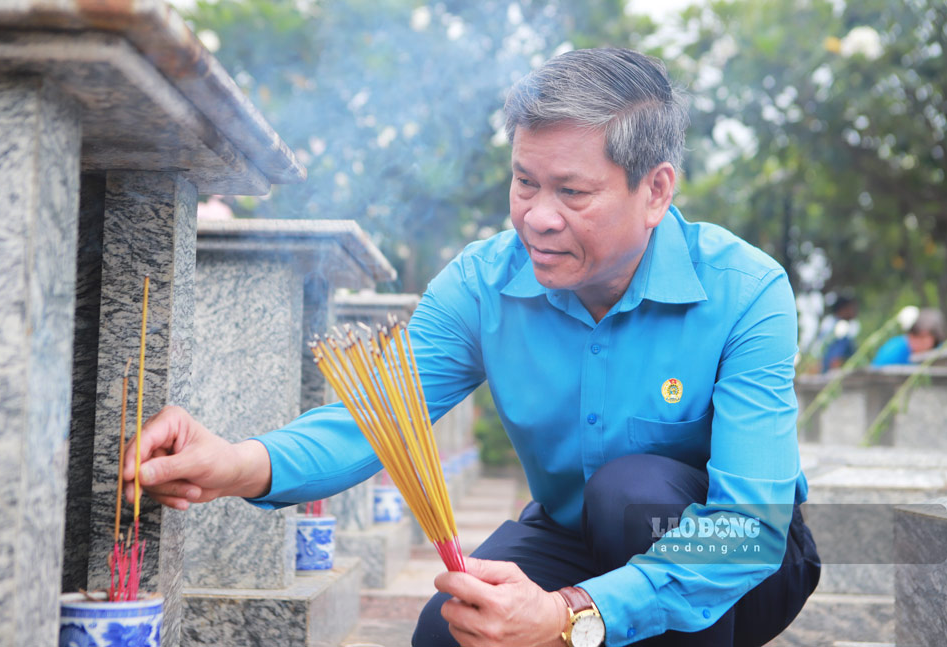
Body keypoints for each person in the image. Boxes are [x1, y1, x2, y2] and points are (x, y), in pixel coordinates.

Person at [123, 48, 820, 647]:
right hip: (575, 534)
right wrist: (234, 463)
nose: (537, 218)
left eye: (572, 192)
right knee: (452, 630)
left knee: (631, 495)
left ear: (656, 190)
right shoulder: (484, 284)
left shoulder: (745, 292)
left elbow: (749, 526)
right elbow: (378, 418)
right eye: (525, 182)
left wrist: (568, 614)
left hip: (738, 559)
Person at [872, 307, 946, 366]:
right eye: (914, 337)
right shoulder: (892, 351)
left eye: (922, 338)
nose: (917, 343)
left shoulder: (940, 353)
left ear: (935, 338)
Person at [818, 294, 859, 372]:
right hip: (828, 368)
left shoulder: (851, 325)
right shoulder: (833, 325)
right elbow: (833, 358)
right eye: (851, 308)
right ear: (842, 309)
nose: (854, 311)